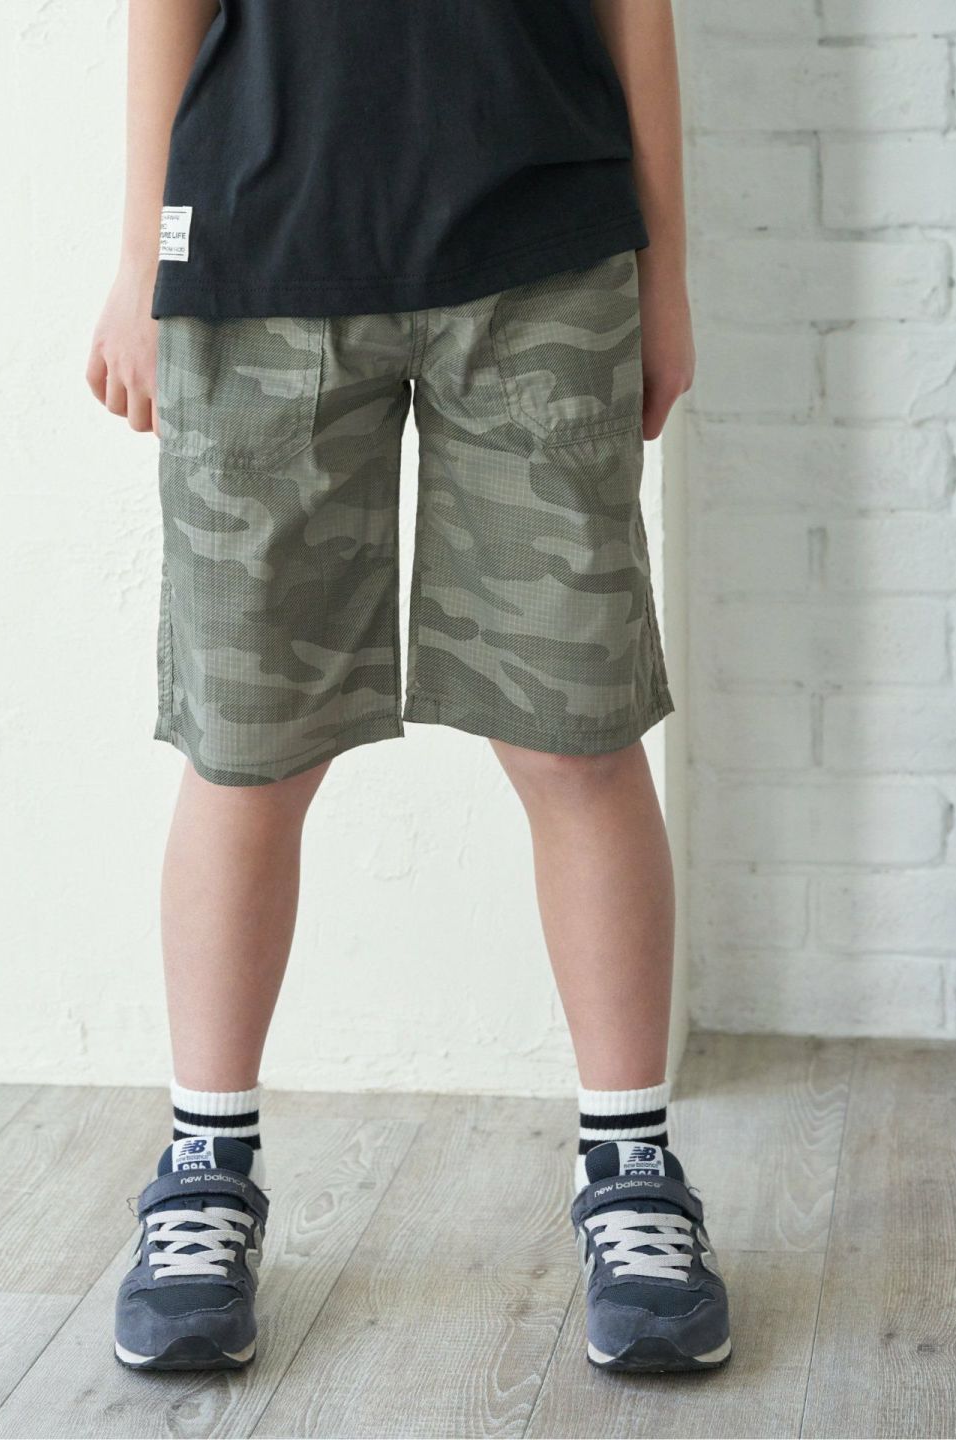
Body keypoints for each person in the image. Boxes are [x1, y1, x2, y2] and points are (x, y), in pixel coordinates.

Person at [87, 0, 729, 1377]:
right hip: (258, 246)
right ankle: (204, 1168)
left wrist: (665, 275)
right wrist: (143, 256)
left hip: (545, 252)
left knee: (578, 737)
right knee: (247, 750)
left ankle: (632, 1174)